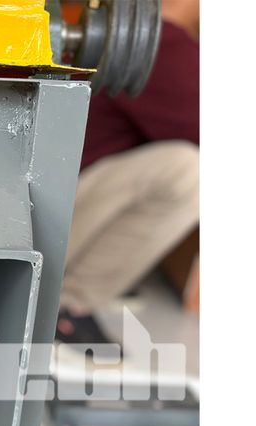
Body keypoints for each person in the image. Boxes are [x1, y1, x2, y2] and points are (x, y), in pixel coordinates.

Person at [56, 0, 200, 345]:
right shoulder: (163, 42)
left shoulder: (135, 34)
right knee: (190, 173)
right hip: (53, 212)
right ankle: (68, 304)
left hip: (54, 195)